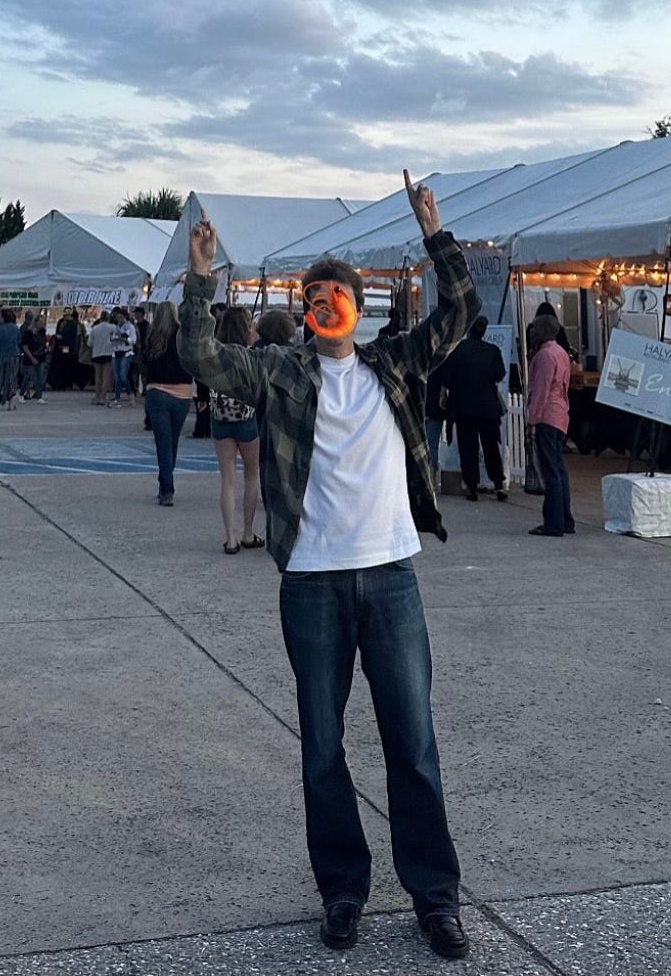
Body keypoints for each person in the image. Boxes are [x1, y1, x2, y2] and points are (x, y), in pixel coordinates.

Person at [178, 171, 478, 961]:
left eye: (336, 292)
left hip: (392, 576)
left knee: (413, 743)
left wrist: (435, 233)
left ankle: (436, 898)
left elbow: (460, 312)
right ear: (305, 309)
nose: (325, 303)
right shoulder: (282, 370)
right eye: (314, 295)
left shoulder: (394, 364)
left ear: (360, 305)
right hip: (311, 581)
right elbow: (202, 354)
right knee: (321, 746)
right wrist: (200, 275)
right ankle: (343, 890)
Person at [209, 306, 264, 553]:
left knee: (227, 479)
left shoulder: (214, 354)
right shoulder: (251, 356)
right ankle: (248, 533)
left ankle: (230, 538)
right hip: (247, 419)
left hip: (221, 418)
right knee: (251, 475)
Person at [439, 315, 507, 501]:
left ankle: (472, 487)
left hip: (464, 407)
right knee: (491, 447)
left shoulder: (458, 350)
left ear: (468, 329)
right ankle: (499, 484)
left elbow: (447, 376)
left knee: (468, 447)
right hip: (487, 407)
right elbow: (499, 374)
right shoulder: (493, 351)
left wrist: (443, 395)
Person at [526, 315, 573, 536]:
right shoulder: (561, 352)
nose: (531, 332)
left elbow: (541, 390)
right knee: (559, 470)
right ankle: (565, 520)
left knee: (550, 471)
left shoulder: (545, 356)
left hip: (547, 415)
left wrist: (532, 419)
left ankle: (554, 523)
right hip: (560, 414)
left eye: (535, 328)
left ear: (545, 331)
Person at [141, 302, 193, 505]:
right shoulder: (183, 335)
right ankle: (166, 482)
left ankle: (166, 487)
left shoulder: (152, 335)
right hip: (182, 393)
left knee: (162, 442)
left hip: (158, 390)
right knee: (173, 440)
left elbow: (145, 362)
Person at [0, 308, 21, 409]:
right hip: (13, 355)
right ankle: (11, 401)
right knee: (11, 378)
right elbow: (19, 341)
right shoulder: (15, 328)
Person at [109, 307, 137, 407]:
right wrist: (113, 339)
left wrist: (124, 339)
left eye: (121, 317)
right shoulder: (115, 327)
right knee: (117, 377)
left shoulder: (130, 327)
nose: (119, 319)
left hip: (126, 352)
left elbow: (133, 340)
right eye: (118, 317)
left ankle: (130, 393)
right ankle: (117, 398)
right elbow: (110, 339)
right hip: (116, 352)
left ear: (125, 317)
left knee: (123, 375)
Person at [89, 310, 115, 406]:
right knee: (106, 377)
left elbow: (89, 343)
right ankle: (103, 398)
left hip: (96, 353)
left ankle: (97, 396)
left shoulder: (95, 328)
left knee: (98, 377)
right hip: (108, 353)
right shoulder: (113, 327)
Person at [21, 315, 49, 401]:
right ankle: (22, 393)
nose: (42, 323)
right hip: (30, 357)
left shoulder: (43, 331)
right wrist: (31, 357)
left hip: (41, 356)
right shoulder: (28, 332)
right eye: (40, 321)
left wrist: (46, 348)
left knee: (40, 377)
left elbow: (43, 342)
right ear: (36, 322)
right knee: (28, 377)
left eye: (43, 321)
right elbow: (25, 346)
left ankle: (39, 396)